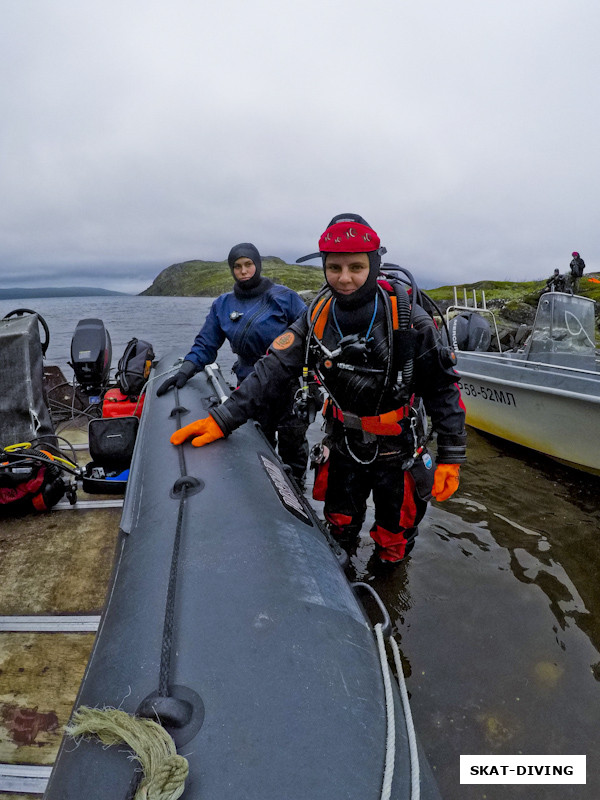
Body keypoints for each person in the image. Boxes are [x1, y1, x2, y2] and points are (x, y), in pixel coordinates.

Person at [169, 214, 466, 565]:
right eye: (335, 267)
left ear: (374, 264)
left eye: (356, 267)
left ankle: (387, 584)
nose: (344, 278)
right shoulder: (317, 315)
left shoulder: (410, 321)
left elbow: (443, 390)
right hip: (343, 443)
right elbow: (274, 368)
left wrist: (452, 456)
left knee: (394, 539)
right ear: (324, 266)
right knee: (339, 525)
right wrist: (223, 418)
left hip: (397, 450)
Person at [157, 242, 310, 486]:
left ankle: (298, 490)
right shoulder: (223, 305)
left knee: (294, 445)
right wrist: (186, 369)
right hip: (250, 387)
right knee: (259, 444)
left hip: (287, 385)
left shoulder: (285, 297)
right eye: (237, 266)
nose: (243, 270)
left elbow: (309, 337)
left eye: (248, 264)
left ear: (257, 265)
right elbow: (206, 344)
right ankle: (265, 492)